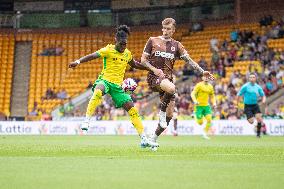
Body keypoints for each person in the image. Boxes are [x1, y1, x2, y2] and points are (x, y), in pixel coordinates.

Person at [68, 25, 158, 148]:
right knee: (98, 91)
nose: (123, 46)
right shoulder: (108, 50)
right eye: (121, 44)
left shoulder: (127, 54)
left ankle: (143, 138)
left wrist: (151, 68)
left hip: (118, 87)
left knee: (132, 110)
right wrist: (77, 62)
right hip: (105, 80)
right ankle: (87, 120)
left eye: (125, 44)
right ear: (116, 40)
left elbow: (135, 64)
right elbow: (92, 56)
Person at [140, 18, 214, 148]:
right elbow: (143, 61)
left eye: (169, 29)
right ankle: (161, 113)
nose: (165, 31)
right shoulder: (152, 40)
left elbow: (189, 60)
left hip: (167, 81)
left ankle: (153, 139)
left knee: (169, 116)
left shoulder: (177, 45)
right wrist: (154, 70)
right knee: (171, 88)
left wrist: (202, 71)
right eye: (164, 28)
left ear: (173, 30)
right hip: (154, 77)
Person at [236, 73, 266, 138]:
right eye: (251, 77)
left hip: (255, 105)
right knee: (251, 121)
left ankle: (258, 134)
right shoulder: (245, 86)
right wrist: (237, 103)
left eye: (253, 77)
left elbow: (263, 95)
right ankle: (253, 121)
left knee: (259, 118)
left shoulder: (258, 87)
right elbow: (239, 94)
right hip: (247, 106)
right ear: (249, 79)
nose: (252, 78)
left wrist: (263, 100)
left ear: (255, 78)